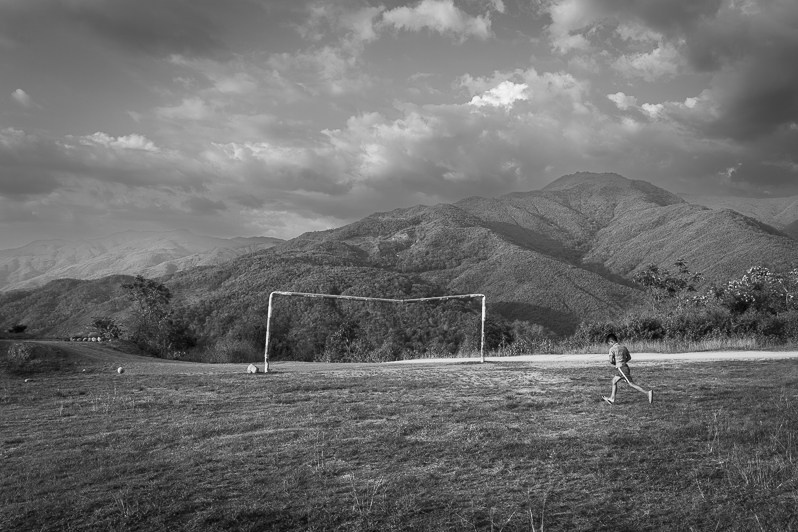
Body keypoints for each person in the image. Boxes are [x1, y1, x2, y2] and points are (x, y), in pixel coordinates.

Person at [602, 333, 653, 405]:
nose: (609, 345)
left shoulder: (612, 349)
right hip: (625, 367)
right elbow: (629, 357)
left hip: (621, 369)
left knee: (631, 384)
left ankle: (647, 393)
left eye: (609, 343)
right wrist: (622, 361)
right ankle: (612, 399)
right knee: (614, 381)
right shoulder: (624, 347)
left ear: (612, 341)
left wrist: (616, 363)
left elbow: (611, 361)